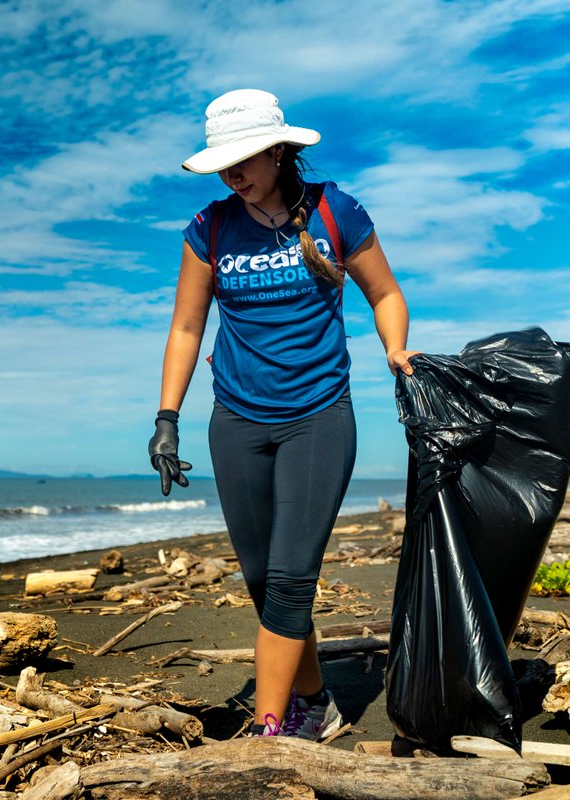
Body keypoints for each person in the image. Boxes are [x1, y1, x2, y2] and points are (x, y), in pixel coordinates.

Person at [149, 89, 419, 739]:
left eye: (241, 158)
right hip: (236, 422)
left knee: (292, 578)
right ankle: (316, 699)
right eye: (222, 161)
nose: (230, 172)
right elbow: (187, 328)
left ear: (278, 150)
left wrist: (396, 349)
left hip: (319, 415)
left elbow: (384, 292)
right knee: (262, 580)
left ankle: (271, 731)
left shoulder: (335, 212)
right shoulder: (210, 228)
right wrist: (167, 416)